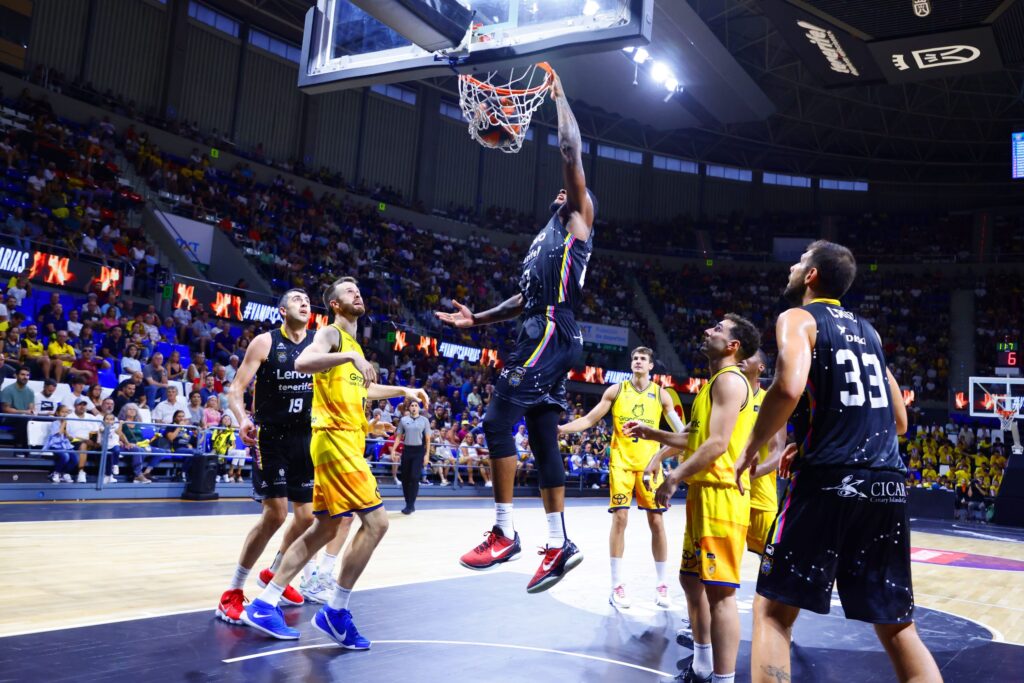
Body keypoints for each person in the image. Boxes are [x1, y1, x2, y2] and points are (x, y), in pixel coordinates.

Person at [733, 241, 941, 683]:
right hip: (886, 484)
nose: (791, 266)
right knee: (896, 623)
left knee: (772, 612)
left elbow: (788, 389)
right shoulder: (871, 333)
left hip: (830, 480)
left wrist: (753, 445)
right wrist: (809, 440)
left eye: (800, 260)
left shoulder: (798, 319)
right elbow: (900, 421)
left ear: (811, 276)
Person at [435, 72, 596, 592]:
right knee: (545, 435)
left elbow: (571, 153)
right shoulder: (543, 238)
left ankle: (504, 531)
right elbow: (521, 299)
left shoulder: (577, 218)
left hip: (552, 329)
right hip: (536, 327)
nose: (563, 189)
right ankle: (557, 542)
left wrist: (559, 95)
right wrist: (476, 320)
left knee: (496, 416)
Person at [242, 276, 428, 648]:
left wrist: (402, 391)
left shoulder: (353, 347)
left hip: (340, 441)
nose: (357, 292)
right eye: (348, 291)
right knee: (376, 523)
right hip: (335, 439)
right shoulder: (330, 336)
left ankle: (265, 600)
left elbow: (366, 389)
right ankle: (336, 610)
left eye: (359, 288)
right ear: (336, 306)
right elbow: (303, 362)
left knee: (325, 528)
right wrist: (349, 355)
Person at [626, 314, 761, 683]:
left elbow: (718, 445)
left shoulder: (731, 381)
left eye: (718, 329)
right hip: (703, 496)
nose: (707, 331)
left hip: (722, 498)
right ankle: (702, 665)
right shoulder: (713, 384)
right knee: (690, 580)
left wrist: (673, 477)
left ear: (733, 346)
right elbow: (694, 439)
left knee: (720, 593)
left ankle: (723, 678)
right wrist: (651, 432)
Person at [216, 289, 325, 625]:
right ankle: (232, 592)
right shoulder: (265, 342)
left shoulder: (320, 345)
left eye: (307, 300)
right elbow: (235, 390)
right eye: (296, 300)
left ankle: (274, 573)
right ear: (282, 310)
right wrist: (242, 419)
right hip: (271, 437)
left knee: (308, 518)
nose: (304, 303)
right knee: (276, 515)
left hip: (306, 438)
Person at [559, 346, 683, 609]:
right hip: (621, 464)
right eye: (635, 358)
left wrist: (665, 454)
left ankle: (662, 585)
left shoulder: (661, 395)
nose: (638, 361)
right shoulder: (615, 391)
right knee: (620, 519)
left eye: (643, 359)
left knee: (657, 523)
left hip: (649, 467)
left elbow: (682, 433)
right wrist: (560, 429)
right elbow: (590, 419)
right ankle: (617, 586)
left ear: (651, 366)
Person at [737, 350, 787, 557]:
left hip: (760, 493)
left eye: (748, 355)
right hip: (730, 490)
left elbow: (777, 454)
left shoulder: (771, 403)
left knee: (769, 559)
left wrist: (747, 475)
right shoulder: (726, 396)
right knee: (722, 557)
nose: (741, 358)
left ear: (761, 368)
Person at [390, 400, 431, 514]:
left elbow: (428, 439)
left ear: (419, 408)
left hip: (418, 451)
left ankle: (411, 504)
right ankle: (408, 503)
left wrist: (427, 455)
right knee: (405, 478)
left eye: (416, 405)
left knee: (414, 477)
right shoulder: (403, 420)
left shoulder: (425, 421)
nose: (414, 407)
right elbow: (398, 437)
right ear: (409, 408)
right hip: (407, 450)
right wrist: (393, 450)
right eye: (412, 406)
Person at [1, 367, 35, 453]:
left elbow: (31, 408)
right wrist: (24, 412)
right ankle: (19, 447)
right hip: (7, 418)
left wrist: (32, 412)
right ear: (16, 376)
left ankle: (38, 449)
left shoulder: (30, 391)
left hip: (23, 418)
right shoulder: (8, 390)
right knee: (22, 419)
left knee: (31, 420)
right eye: (22, 374)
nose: (25, 377)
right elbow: (5, 409)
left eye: (27, 375)